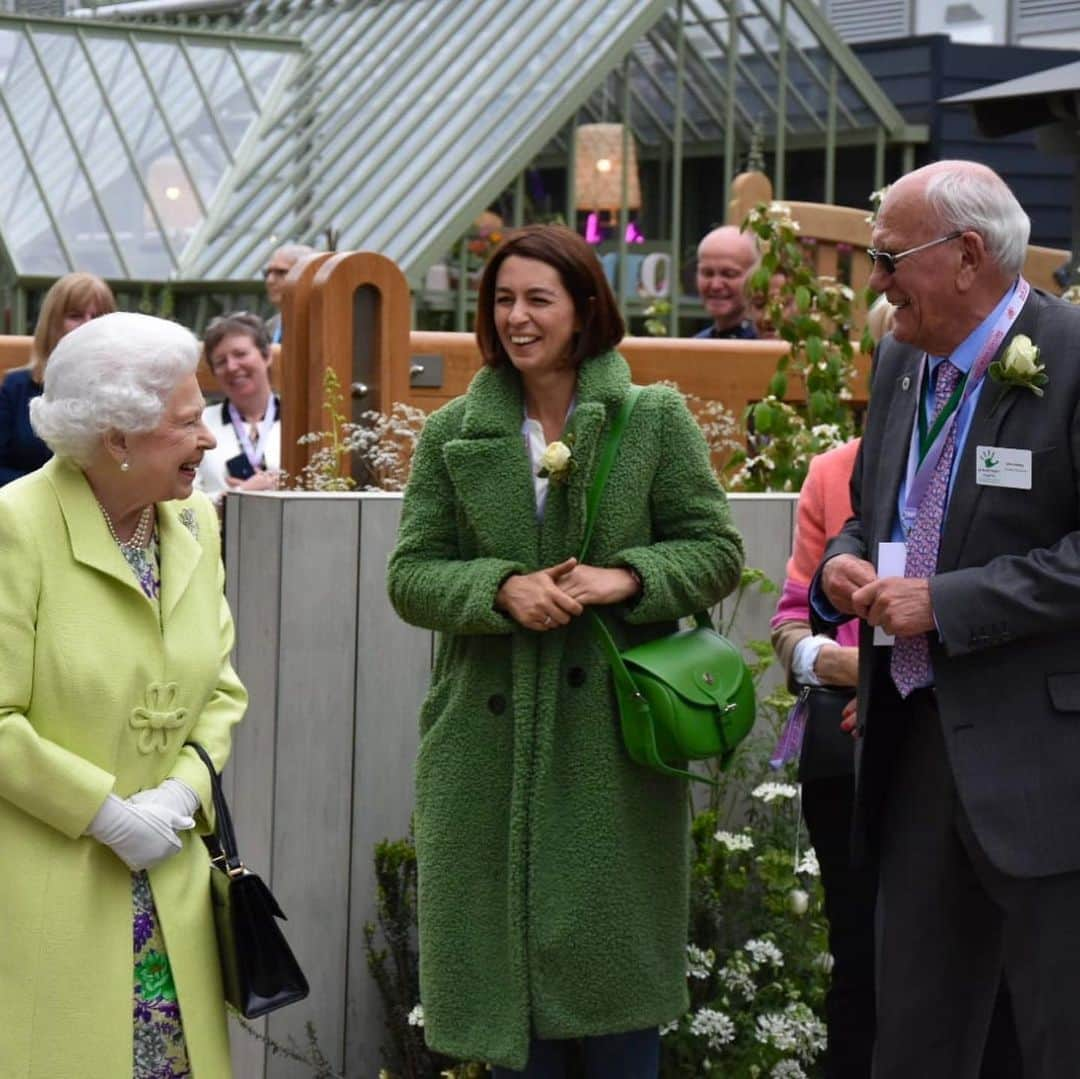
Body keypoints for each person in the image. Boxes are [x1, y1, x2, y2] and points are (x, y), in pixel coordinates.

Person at [387, 223, 744, 1077]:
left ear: (585, 309)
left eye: (538, 299)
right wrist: (501, 588)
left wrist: (624, 577)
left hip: (612, 760)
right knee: (514, 1035)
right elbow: (410, 576)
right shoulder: (453, 435)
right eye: (502, 299)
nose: (517, 317)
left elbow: (717, 550)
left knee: (619, 1026)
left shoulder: (651, 418)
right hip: (485, 755)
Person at [814, 160, 1080, 1077]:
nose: (875, 283)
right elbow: (873, 505)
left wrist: (947, 602)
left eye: (889, 258)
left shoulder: (1073, 356)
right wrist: (845, 555)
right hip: (913, 744)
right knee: (914, 1045)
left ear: (968, 255)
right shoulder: (899, 357)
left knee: (1059, 1039)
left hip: (1049, 769)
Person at [0, 311, 247, 1077]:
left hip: (171, 888)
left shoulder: (194, 520)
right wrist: (102, 811)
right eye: (186, 420)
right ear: (118, 439)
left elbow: (224, 688)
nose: (209, 436)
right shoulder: (16, 526)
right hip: (48, 892)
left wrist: (178, 797)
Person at [771, 438, 874, 1078]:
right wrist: (846, 665)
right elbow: (790, 625)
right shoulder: (834, 471)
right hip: (848, 750)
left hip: (968, 741)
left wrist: (903, 684)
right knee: (860, 963)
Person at [0, 271, 116, 486]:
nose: (88, 325)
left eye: (97, 316)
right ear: (53, 323)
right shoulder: (16, 388)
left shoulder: (123, 390)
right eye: (75, 315)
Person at [195, 311, 282, 504]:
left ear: (266, 355)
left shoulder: (300, 422)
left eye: (240, 354)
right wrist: (236, 495)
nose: (232, 367)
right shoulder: (199, 425)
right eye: (220, 362)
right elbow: (185, 504)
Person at [694, 225, 758, 339]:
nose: (715, 285)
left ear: (755, 277)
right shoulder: (693, 348)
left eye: (729, 274)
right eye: (707, 273)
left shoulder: (771, 347)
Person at [263, 242, 315, 343]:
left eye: (281, 272)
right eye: (267, 273)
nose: (270, 280)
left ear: (307, 275)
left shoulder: (325, 325)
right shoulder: (269, 327)